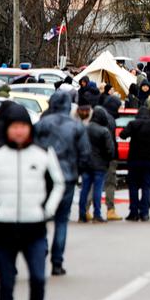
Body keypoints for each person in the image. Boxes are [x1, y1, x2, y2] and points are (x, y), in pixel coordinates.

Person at [0, 104, 65, 300]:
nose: (19, 131)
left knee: (38, 277)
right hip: (4, 226)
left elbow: (58, 182)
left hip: (34, 227)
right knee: (6, 281)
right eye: (15, 126)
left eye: (24, 126)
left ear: (30, 128)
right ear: (7, 128)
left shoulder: (43, 152)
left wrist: (48, 209)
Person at [34, 91, 91, 276]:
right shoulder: (75, 126)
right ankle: (57, 262)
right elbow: (85, 153)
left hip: (44, 176)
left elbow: (32, 148)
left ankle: (40, 251)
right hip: (67, 176)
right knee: (61, 220)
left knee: (41, 216)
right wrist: (77, 171)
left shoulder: (42, 124)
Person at [119, 107, 150, 221]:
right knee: (146, 186)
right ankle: (145, 212)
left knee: (133, 186)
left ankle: (133, 212)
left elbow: (123, 135)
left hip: (135, 158)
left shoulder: (133, 123)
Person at [79, 108, 115, 223]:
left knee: (84, 189)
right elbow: (110, 150)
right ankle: (97, 214)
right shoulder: (104, 131)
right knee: (97, 189)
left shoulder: (84, 128)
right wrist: (107, 161)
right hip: (100, 165)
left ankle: (82, 214)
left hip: (86, 163)